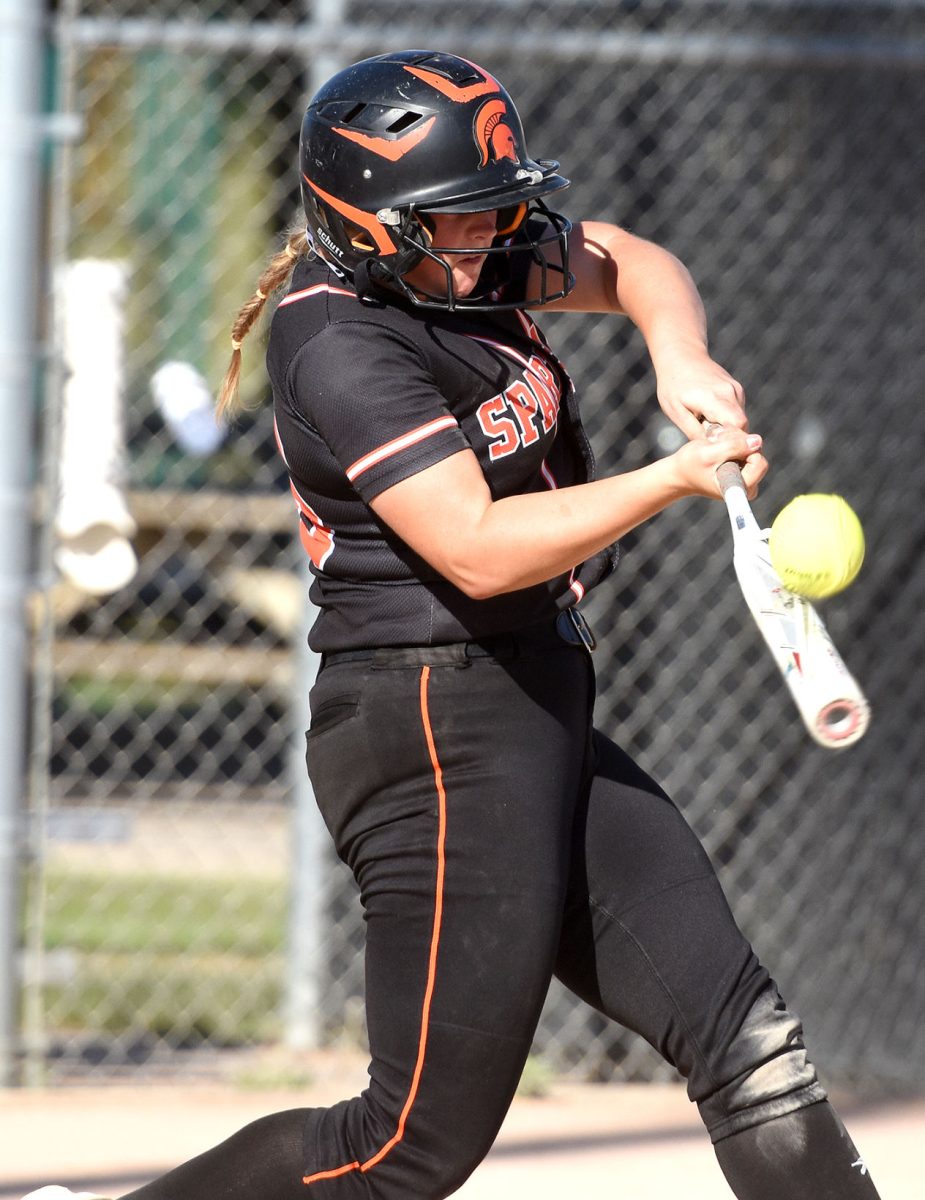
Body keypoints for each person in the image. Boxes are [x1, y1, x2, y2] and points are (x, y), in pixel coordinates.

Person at [28, 49, 881, 1200]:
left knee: (744, 1039)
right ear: (365, 225)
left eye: (494, 210)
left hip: (531, 699)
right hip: (430, 727)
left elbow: (629, 259)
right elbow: (475, 549)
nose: (487, 239)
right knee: (404, 1149)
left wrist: (678, 353)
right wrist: (669, 479)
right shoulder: (341, 338)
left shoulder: (457, 262)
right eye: (454, 221)